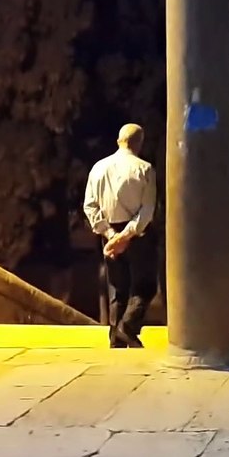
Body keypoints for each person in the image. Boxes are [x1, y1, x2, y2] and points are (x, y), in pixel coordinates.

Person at [84, 124, 158, 349]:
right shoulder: (145, 169)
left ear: (118, 141)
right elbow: (147, 210)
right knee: (145, 286)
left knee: (117, 286)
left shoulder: (98, 168)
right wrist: (125, 236)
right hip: (137, 234)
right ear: (139, 143)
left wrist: (110, 234)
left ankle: (115, 337)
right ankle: (127, 327)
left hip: (109, 233)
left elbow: (90, 206)